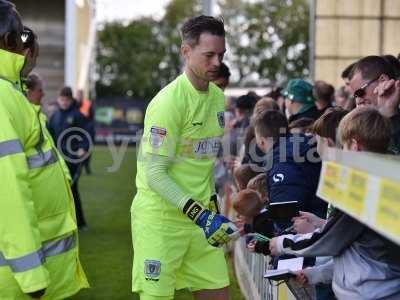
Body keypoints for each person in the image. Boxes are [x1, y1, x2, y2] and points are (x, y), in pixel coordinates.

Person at [131, 16, 238, 300]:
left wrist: (213, 211)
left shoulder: (217, 97)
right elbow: (155, 175)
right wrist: (202, 215)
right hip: (162, 222)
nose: (217, 62)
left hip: (201, 223)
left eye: (221, 55)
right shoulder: (168, 102)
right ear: (186, 52)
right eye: (209, 55)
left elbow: (200, 165)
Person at [0, 1, 88, 299]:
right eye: (22, 34)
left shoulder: (10, 93)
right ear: (8, 40)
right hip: (16, 283)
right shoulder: (3, 99)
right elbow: (7, 189)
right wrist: (32, 275)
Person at [269, 107, 400, 300]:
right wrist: (317, 274)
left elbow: (328, 240)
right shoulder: (383, 179)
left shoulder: (364, 189)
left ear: (354, 146)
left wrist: (281, 243)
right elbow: (357, 253)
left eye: (343, 146)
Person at [48, 86, 90, 229]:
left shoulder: (78, 115)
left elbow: (87, 133)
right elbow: (49, 135)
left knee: (72, 190)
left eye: (67, 100)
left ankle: (80, 222)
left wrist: (83, 148)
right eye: (62, 99)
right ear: (58, 100)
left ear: (71, 100)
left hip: (73, 160)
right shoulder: (54, 116)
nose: (64, 102)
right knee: (60, 191)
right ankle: (65, 222)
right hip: (58, 159)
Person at [348, 55, 400, 154]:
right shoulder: (358, 123)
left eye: (360, 92)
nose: (358, 101)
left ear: (383, 81)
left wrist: (388, 113)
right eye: (354, 96)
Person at [76, 89, 95, 175]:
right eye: (78, 95)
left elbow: (92, 117)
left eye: (80, 95)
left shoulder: (88, 104)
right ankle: (79, 167)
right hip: (78, 130)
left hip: (87, 130)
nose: (79, 96)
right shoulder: (74, 104)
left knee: (87, 150)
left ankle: (86, 166)